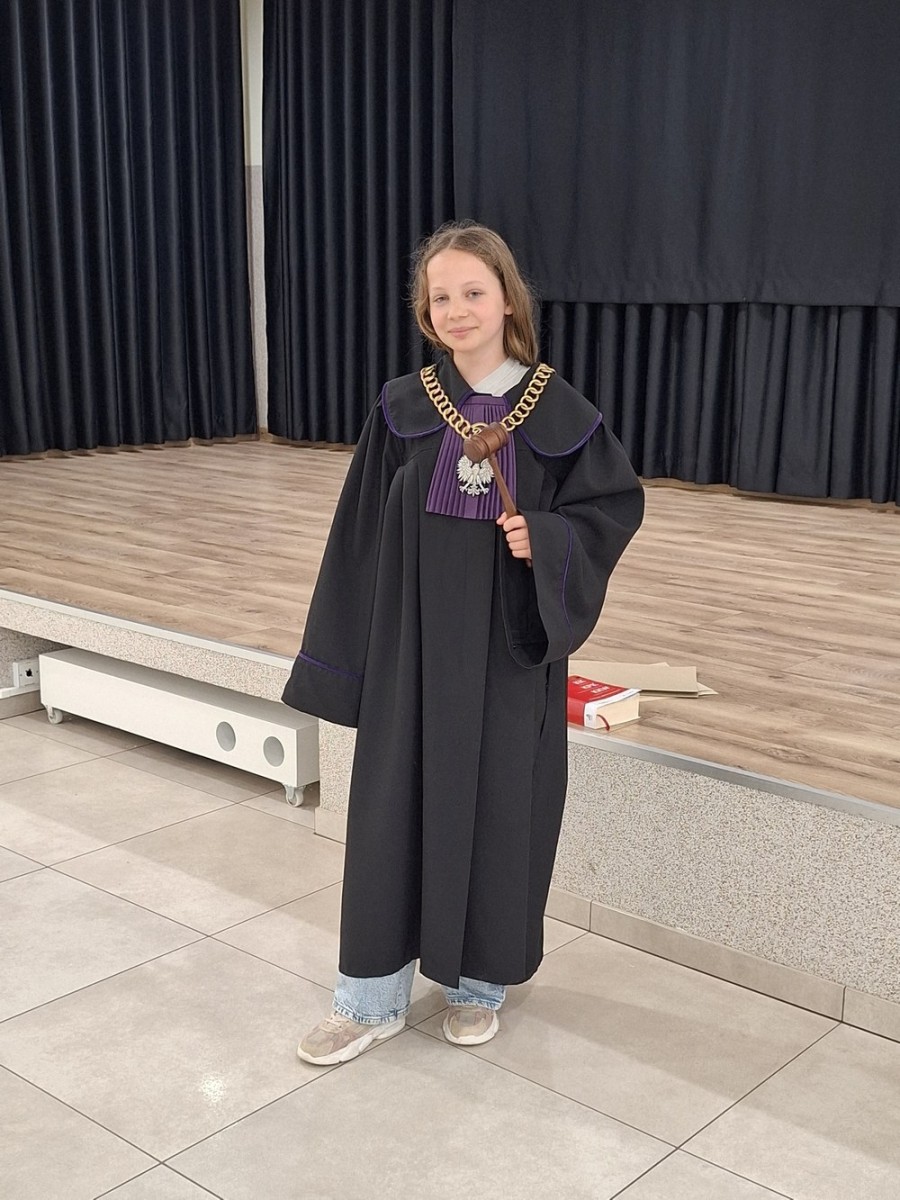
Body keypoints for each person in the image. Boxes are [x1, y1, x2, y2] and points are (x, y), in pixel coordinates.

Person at [283, 221, 644, 1066]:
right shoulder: (402, 409)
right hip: (409, 652)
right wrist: (346, 660)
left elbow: (610, 509)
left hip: (505, 657)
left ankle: (478, 986)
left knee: (500, 810)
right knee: (390, 812)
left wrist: (545, 539)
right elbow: (357, 537)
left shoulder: (560, 412)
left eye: (473, 292)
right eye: (440, 296)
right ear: (425, 311)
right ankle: (369, 999)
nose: (457, 310)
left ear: (508, 299)